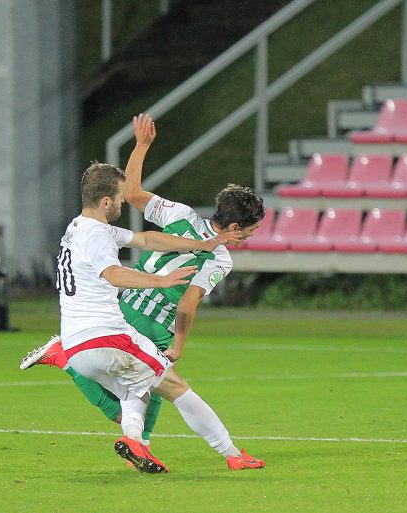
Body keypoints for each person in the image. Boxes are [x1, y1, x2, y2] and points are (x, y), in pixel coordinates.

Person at [20, 115, 266, 470]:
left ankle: (137, 445)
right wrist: (179, 342)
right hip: (151, 320)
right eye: (251, 230)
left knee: (141, 388)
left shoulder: (179, 214)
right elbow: (187, 301)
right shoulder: (221, 259)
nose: (251, 236)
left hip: (125, 307)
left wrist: (141, 147)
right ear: (233, 227)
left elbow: (135, 198)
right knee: (162, 388)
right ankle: (226, 453)